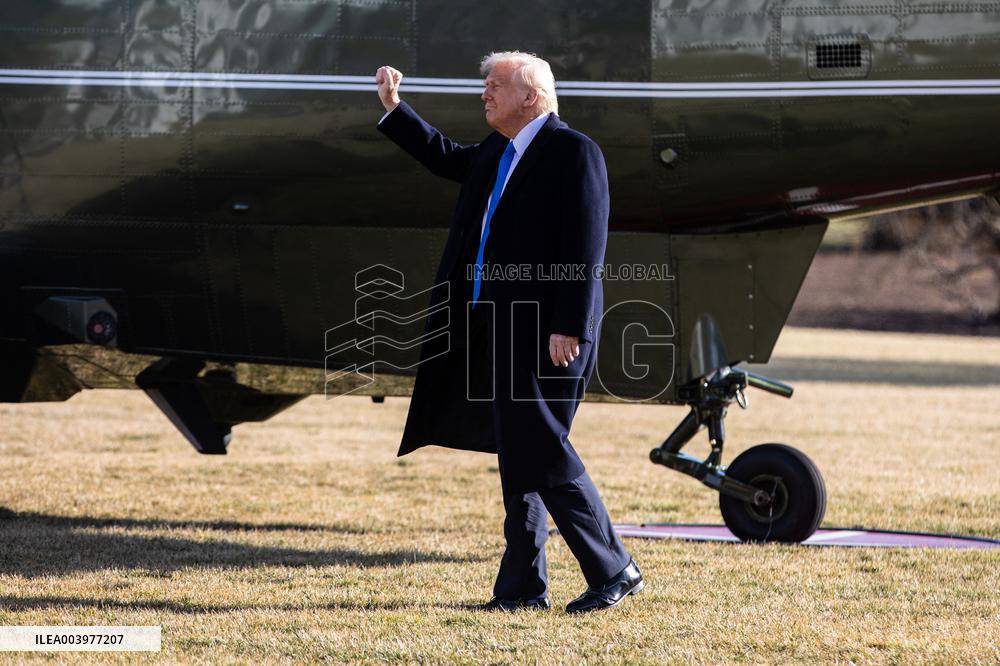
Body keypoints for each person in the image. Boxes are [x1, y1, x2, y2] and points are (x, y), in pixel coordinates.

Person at [374, 52, 643, 613]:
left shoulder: (575, 152)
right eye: (485, 85)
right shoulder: (499, 150)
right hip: (496, 327)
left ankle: (615, 568)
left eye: (496, 85)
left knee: (543, 446)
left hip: (549, 332)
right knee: (519, 457)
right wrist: (397, 110)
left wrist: (569, 323)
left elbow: (586, 246)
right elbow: (447, 158)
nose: (485, 94)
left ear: (532, 95)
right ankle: (522, 588)